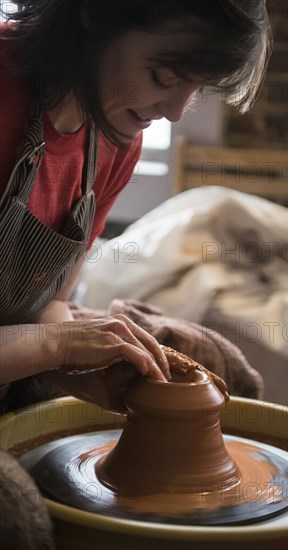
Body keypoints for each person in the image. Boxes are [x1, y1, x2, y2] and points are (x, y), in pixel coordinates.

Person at [0, 0, 271, 413]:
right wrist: (59, 344)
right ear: (95, 12)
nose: (176, 112)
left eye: (197, 89)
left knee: (212, 365)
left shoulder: (114, 137)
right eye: (163, 77)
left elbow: (51, 304)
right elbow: (49, 337)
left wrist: (92, 374)